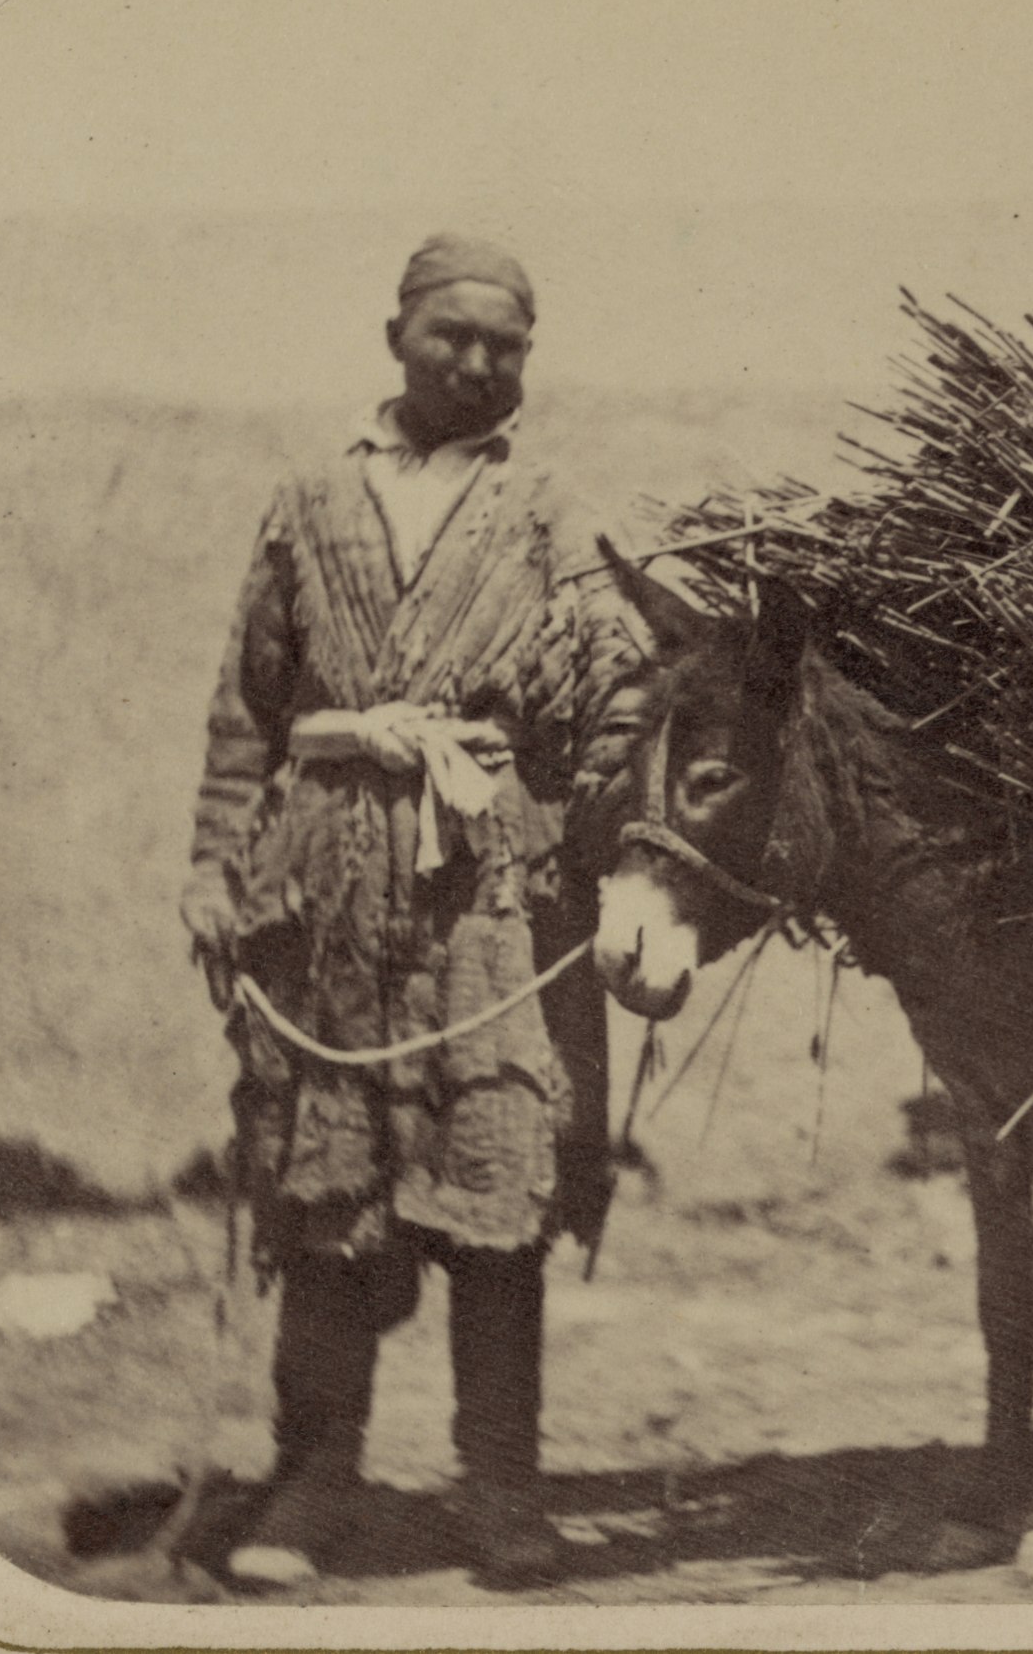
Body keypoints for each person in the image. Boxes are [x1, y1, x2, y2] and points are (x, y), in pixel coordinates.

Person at [179, 235, 652, 1588]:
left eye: (508, 344)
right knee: (328, 1188)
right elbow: (247, 715)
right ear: (393, 334)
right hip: (324, 883)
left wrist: (580, 836)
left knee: (498, 1187)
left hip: (495, 893)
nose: (481, 362)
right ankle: (309, 1489)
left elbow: (623, 700)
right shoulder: (307, 497)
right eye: (453, 335)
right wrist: (215, 872)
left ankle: (500, 1495)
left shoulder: (552, 509)